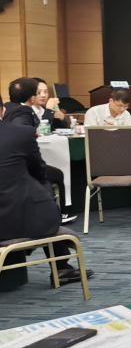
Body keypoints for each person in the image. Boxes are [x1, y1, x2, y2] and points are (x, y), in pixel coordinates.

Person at [0, 92, 92, 285]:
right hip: (22, 219)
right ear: (3, 111)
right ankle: (61, 267)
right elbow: (38, 170)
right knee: (41, 188)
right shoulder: (21, 133)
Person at [4, 78, 76, 224]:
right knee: (51, 175)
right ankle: (59, 213)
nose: (42, 95)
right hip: (18, 166)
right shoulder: (22, 111)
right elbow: (27, 133)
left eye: (45, 91)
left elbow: (59, 125)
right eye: (38, 92)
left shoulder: (11, 108)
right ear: (32, 97)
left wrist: (59, 115)